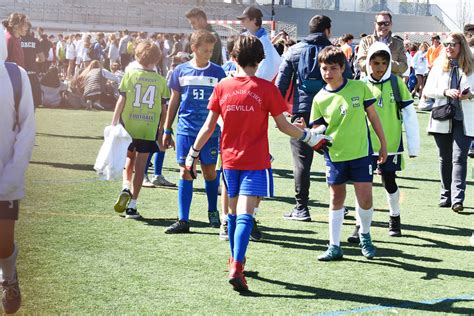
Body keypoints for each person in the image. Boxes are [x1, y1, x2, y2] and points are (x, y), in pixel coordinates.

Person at [185, 35, 330, 291]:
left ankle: (234, 261)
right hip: (256, 162)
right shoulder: (266, 89)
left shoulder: (223, 86)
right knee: (245, 214)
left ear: (232, 57)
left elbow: (208, 127)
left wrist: (192, 155)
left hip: (229, 161)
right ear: (261, 59)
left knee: (231, 214)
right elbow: (284, 126)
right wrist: (310, 138)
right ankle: (237, 265)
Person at [310, 46, 387, 261]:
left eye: (333, 68)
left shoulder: (359, 88)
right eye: (324, 68)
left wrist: (383, 143)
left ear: (342, 68)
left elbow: (373, 116)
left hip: (361, 153)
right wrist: (311, 134)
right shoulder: (319, 99)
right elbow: (317, 129)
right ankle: (334, 246)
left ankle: (365, 235)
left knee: (365, 198)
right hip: (335, 156)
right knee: (336, 198)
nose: (328, 73)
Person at [276, 15, 352, 221]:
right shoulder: (335, 52)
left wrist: (280, 114)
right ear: (328, 30)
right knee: (335, 158)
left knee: (301, 162)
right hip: (333, 113)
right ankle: (339, 205)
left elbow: (280, 86)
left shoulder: (293, 50)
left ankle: (301, 208)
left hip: (302, 113)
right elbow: (350, 80)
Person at [347, 42, 419, 243]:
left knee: (389, 182)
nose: (379, 67)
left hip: (391, 145)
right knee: (363, 185)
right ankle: (359, 225)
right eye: (375, 62)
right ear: (368, 63)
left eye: (384, 63)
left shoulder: (397, 84)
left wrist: (414, 147)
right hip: (365, 145)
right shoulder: (360, 85)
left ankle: (394, 217)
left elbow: (410, 115)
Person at [162, 30, 226, 233]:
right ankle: (183, 220)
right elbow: (174, 101)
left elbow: (224, 104)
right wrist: (166, 128)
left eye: (211, 50)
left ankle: (212, 211)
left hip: (210, 132)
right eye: (205, 50)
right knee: (186, 171)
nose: (209, 54)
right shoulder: (180, 71)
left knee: (209, 172)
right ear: (194, 49)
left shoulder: (218, 73)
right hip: (186, 130)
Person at [111, 40, 170, 219]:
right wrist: (162, 130)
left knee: (128, 160)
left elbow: (121, 100)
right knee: (141, 166)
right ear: (157, 59)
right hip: (148, 127)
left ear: (137, 55)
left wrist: (113, 122)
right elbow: (164, 109)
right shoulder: (160, 81)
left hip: (129, 125)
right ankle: (133, 205)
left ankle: (125, 187)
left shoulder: (129, 75)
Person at [0, 25, 36, 314]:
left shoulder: (15, 76)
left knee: (2, 244)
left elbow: (27, 129)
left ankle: (8, 275)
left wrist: (14, 174)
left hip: (5, 175)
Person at [424, 32, 474, 213]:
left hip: (465, 119)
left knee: (459, 157)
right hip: (443, 117)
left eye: (453, 44)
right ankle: (446, 194)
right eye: (446, 44)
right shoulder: (438, 66)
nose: (449, 47)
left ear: (462, 45)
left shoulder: (472, 66)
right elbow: (428, 90)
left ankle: (457, 199)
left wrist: (470, 95)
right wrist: (445, 91)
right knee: (445, 158)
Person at [237, 6, 281, 81]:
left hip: (254, 85)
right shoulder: (242, 37)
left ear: (254, 20)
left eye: (244, 19)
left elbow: (267, 72)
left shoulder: (265, 43)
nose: (242, 22)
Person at [357, 11, 407, 77]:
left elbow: (404, 67)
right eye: (380, 23)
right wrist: (378, 63)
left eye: (386, 23)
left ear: (391, 24)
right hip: (369, 84)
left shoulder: (399, 43)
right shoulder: (365, 41)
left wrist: (387, 63)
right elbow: (360, 64)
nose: (383, 26)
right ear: (375, 24)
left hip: (391, 84)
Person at [21, 22, 42, 108]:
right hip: (32, 73)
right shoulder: (35, 41)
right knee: (34, 101)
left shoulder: (17, 40)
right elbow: (42, 58)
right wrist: (34, 60)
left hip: (20, 72)